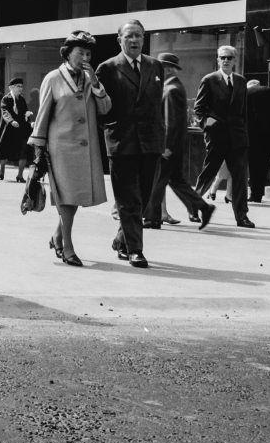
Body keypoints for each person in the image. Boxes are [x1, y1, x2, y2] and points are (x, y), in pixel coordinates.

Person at [28, 31, 111, 267]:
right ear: (67, 53)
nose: (85, 57)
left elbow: (105, 108)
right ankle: (68, 246)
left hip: (86, 149)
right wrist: (38, 149)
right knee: (65, 198)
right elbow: (43, 115)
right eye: (80, 52)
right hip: (59, 148)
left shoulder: (89, 80)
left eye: (88, 53)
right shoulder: (53, 78)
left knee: (73, 197)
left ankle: (57, 237)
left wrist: (95, 82)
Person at [95, 20, 162, 267]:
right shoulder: (107, 68)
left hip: (151, 143)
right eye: (129, 36)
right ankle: (136, 250)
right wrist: (113, 132)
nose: (134, 40)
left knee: (143, 197)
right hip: (122, 144)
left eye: (139, 36)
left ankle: (121, 240)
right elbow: (100, 109)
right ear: (119, 39)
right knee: (128, 198)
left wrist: (161, 139)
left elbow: (156, 107)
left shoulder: (155, 66)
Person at [150, 52, 214, 228]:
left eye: (160, 67)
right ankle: (203, 207)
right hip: (174, 145)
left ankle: (152, 218)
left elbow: (171, 123)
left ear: (168, 69)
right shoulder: (171, 87)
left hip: (169, 146)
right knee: (175, 180)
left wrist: (166, 147)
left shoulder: (171, 89)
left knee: (157, 181)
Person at [194, 45, 254, 228]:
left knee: (240, 178)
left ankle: (242, 216)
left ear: (235, 60)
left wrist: (244, 132)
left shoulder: (241, 81)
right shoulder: (209, 80)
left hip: (237, 138)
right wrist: (208, 126)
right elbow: (199, 110)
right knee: (208, 173)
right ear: (218, 60)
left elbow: (244, 111)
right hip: (217, 137)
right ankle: (193, 206)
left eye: (229, 57)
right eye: (223, 57)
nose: (226, 60)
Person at [0, 77, 32, 183]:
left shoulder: (22, 99)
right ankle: (1, 170)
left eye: (21, 86)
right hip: (9, 129)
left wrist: (29, 121)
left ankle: (20, 175)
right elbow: (5, 112)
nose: (20, 88)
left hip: (21, 129)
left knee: (24, 151)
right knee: (4, 152)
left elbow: (25, 112)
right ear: (12, 87)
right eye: (18, 86)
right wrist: (11, 121)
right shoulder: (6, 98)